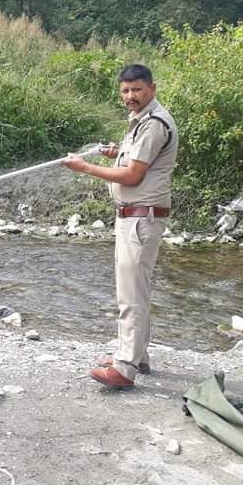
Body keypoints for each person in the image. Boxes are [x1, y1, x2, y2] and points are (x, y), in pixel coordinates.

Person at [63, 64, 178, 389]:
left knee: (130, 294)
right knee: (135, 289)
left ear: (152, 89)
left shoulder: (154, 124)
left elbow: (132, 175)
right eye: (126, 91)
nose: (131, 96)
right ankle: (136, 355)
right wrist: (115, 153)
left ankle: (124, 368)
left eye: (137, 90)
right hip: (135, 216)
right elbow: (133, 161)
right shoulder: (141, 122)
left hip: (142, 218)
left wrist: (85, 167)